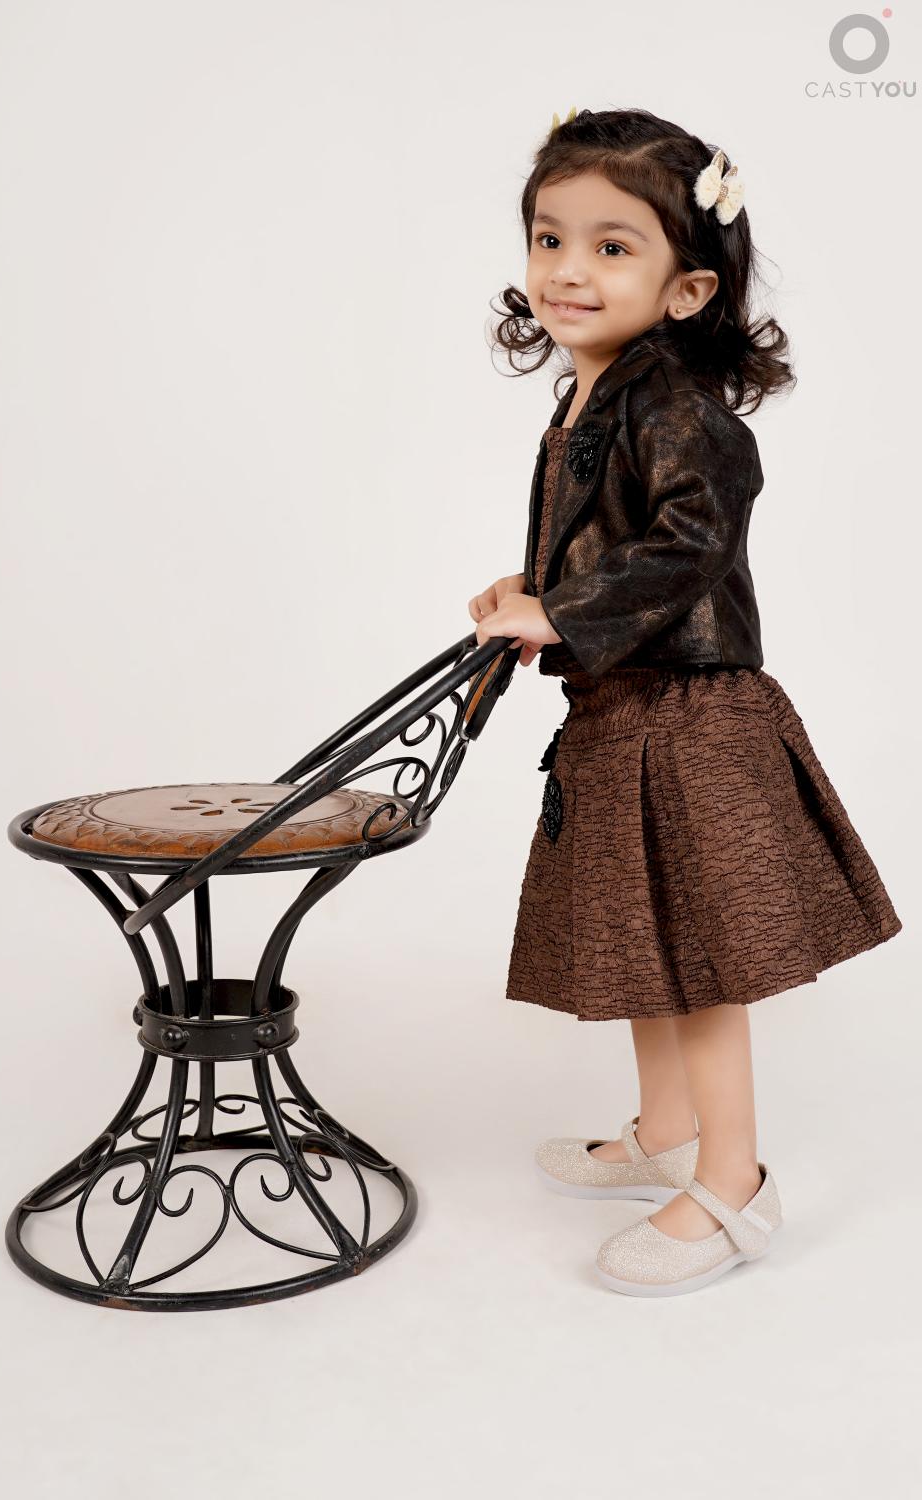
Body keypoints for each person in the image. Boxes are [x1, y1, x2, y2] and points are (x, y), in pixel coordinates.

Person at [469, 107, 903, 1297]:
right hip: (624, 711)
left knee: (702, 960)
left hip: (691, 719)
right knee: (640, 935)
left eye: (612, 246)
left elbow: (687, 545)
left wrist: (563, 612)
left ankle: (733, 1181)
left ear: (685, 288)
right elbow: (607, 541)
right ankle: (663, 1134)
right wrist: (532, 591)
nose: (568, 268)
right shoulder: (593, 397)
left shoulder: (679, 410)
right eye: (549, 238)